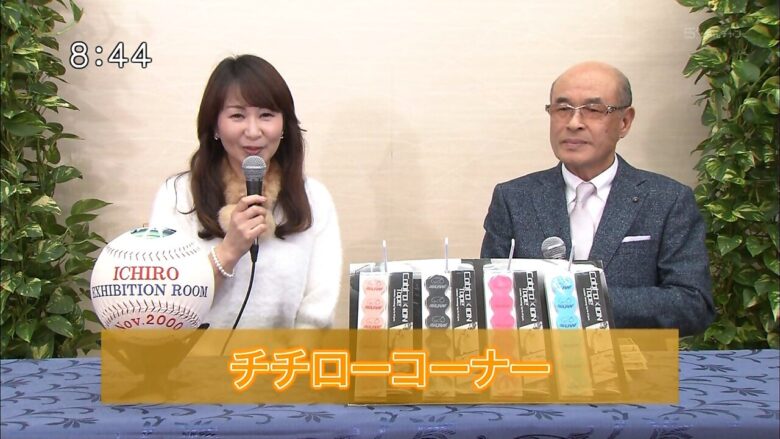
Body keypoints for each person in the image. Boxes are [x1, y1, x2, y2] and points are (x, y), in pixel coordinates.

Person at [480, 61, 714, 336]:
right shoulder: (513, 199)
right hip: (538, 360)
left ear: (624, 122)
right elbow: (488, 300)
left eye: (593, 110)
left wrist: (583, 301)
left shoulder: (668, 200)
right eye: (563, 109)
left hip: (631, 359)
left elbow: (692, 304)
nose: (574, 123)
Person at [149, 55, 342, 328]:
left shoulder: (314, 198)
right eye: (237, 115)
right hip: (197, 354)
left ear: (284, 126)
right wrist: (229, 251)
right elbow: (165, 307)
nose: (253, 131)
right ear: (215, 125)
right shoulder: (178, 195)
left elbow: (318, 308)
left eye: (266, 115)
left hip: (286, 355)